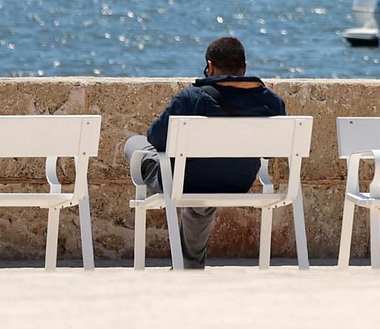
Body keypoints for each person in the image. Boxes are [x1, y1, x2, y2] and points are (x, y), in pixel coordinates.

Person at [123, 36, 287, 268]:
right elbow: (272, 151)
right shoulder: (272, 103)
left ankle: (188, 263)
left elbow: (157, 139)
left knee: (135, 143)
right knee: (204, 187)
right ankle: (190, 263)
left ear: (209, 67)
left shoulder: (191, 99)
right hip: (237, 181)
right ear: (245, 68)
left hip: (183, 180)